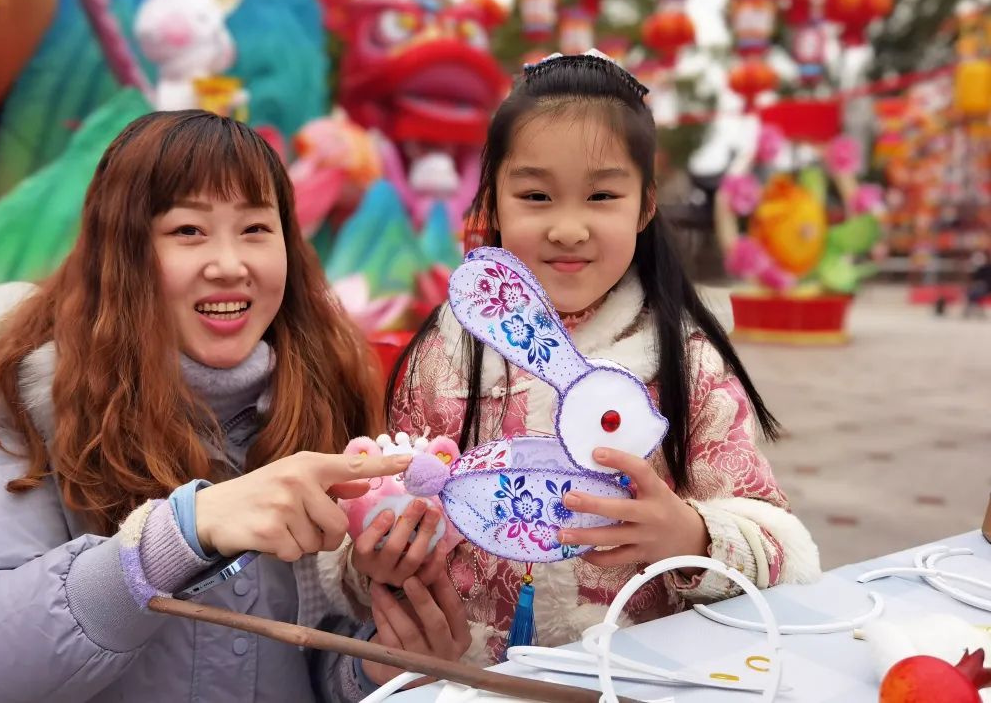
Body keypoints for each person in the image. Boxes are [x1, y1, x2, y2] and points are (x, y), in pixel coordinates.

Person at [0, 111, 465, 702]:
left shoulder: (329, 393)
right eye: (189, 231)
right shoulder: (27, 402)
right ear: (121, 251)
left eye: (255, 228)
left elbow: (300, 660)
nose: (229, 265)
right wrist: (176, 537)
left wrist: (370, 671)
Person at [341, 51, 822, 667]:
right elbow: (388, 501)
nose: (568, 228)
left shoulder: (687, 362)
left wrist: (691, 535)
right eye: (536, 195)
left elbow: (780, 546)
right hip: (474, 677)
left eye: (601, 195)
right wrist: (378, 562)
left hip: (638, 678)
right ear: (493, 203)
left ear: (644, 206)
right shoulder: (443, 358)